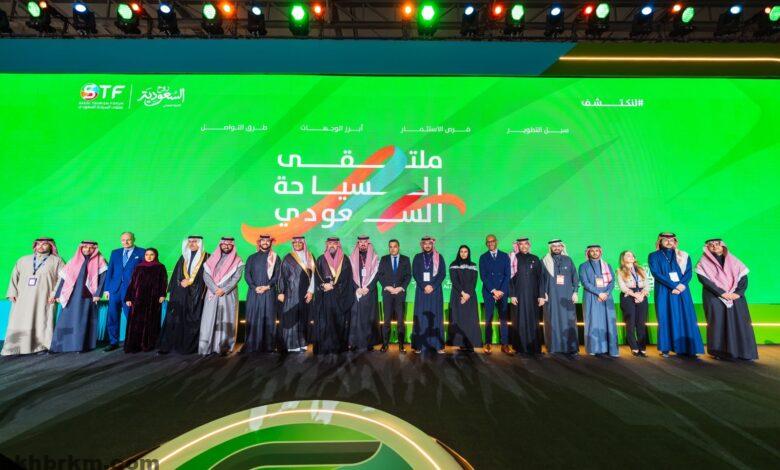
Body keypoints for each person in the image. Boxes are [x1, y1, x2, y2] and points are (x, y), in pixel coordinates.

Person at [695, 238, 758, 361]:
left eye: (717, 244)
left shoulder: (734, 261)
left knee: (741, 323)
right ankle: (720, 352)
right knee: (718, 323)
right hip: (714, 296)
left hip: (736, 297)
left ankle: (745, 352)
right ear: (707, 248)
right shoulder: (703, 263)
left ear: (723, 246)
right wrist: (722, 293)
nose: (714, 246)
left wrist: (738, 293)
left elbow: (743, 278)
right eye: (711, 245)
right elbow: (705, 281)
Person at [2, 238, 64, 355]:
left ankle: (41, 346)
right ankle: (15, 347)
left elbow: (63, 279)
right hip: (23, 297)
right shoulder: (23, 260)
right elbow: (14, 277)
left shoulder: (57, 261)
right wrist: (12, 293)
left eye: (44, 244)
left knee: (42, 320)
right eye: (38, 244)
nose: (40, 246)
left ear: (51, 246)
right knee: (19, 320)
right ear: (34, 246)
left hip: (45, 298)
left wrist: (55, 294)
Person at [648, 232, 703, 358]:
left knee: (686, 316)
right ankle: (665, 348)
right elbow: (656, 273)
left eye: (671, 240)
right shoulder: (654, 255)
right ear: (660, 241)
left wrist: (682, 285)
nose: (669, 242)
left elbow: (688, 272)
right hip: (664, 290)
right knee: (665, 316)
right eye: (665, 240)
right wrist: (673, 285)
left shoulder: (683, 255)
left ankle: (690, 348)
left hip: (682, 290)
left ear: (675, 242)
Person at [50, 241, 107, 353]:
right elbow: (64, 278)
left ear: (95, 249)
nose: (87, 250)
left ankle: (81, 346)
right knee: (65, 319)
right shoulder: (73, 261)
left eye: (91, 248)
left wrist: (97, 294)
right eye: (85, 247)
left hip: (87, 296)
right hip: (71, 295)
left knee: (83, 320)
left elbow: (103, 279)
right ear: (81, 248)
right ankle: (59, 346)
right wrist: (58, 294)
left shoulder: (100, 261)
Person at [158, 236, 209, 355]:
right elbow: (176, 275)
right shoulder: (183, 257)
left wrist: (191, 282)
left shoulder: (207, 257)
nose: (191, 244)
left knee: (193, 319)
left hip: (196, 295)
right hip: (181, 294)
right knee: (176, 319)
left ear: (200, 243)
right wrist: (180, 283)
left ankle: (189, 347)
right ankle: (171, 345)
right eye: (189, 241)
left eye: (194, 242)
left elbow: (207, 277)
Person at [199, 237, 244, 356]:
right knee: (209, 319)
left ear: (232, 246)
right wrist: (215, 289)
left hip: (228, 294)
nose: (226, 246)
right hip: (212, 293)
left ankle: (223, 347)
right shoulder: (210, 259)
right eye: (224, 244)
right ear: (220, 245)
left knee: (226, 319)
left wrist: (223, 290)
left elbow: (236, 278)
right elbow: (206, 276)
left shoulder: (238, 261)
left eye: (229, 245)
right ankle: (207, 347)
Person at [102, 232, 145, 352]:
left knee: (131, 317)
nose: (125, 242)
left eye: (128, 239)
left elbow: (144, 273)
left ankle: (134, 342)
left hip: (131, 291)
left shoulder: (142, 252)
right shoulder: (115, 252)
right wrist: (107, 289)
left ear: (134, 239)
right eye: (123, 240)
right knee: (112, 317)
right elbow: (110, 271)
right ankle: (113, 342)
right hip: (114, 290)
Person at [312, 237, 354, 354]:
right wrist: (323, 285)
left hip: (340, 296)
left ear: (338, 245)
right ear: (327, 245)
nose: (332, 245)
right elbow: (317, 277)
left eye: (334, 243)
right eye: (330, 243)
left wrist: (334, 286)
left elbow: (347, 278)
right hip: (325, 296)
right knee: (326, 322)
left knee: (339, 322)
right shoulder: (321, 259)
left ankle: (338, 347)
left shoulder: (345, 260)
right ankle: (326, 347)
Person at [539, 239, 579, 356]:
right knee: (552, 320)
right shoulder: (544, 261)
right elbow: (541, 279)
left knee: (569, 320)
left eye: (559, 246)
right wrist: (543, 293)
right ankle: (553, 347)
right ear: (550, 248)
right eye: (554, 246)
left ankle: (571, 348)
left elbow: (575, 277)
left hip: (567, 296)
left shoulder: (568, 260)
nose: (556, 248)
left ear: (562, 247)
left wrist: (575, 292)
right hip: (551, 296)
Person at [123, 248, 167, 353]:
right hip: (138, 299)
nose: (149, 257)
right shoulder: (139, 267)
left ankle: (148, 344)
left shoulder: (160, 267)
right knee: (136, 322)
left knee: (151, 321)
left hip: (153, 299)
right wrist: (128, 297)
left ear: (155, 255)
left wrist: (162, 294)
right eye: (147, 254)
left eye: (152, 254)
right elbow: (132, 283)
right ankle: (134, 345)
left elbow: (163, 282)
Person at [243, 234, 281, 353]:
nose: (265, 243)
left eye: (267, 241)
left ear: (271, 243)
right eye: (263, 241)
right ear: (259, 243)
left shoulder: (276, 258)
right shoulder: (251, 257)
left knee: (269, 318)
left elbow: (278, 275)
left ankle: (269, 346)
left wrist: (267, 286)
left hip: (269, 292)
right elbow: (247, 274)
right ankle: (252, 345)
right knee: (253, 317)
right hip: (254, 292)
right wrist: (254, 287)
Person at [579, 245, 619, 357]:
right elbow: (585, 282)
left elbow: (612, 281)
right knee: (593, 322)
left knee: (609, 322)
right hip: (591, 296)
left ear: (600, 252)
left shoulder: (607, 265)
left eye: (597, 251)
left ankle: (611, 349)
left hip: (606, 297)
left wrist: (606, 293)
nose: (595, 253)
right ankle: (593, 348)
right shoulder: (583, 266)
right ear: (588, 253)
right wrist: (599, 293)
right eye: (592, 251)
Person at [277, 236, 315, 353]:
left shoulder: (310, 256)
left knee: (303, 318)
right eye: (295, 243)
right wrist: (281, 292)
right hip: (290, 293)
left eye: (300, 242)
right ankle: (291, 344)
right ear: (292, 244)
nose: (297, 244)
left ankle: (303, 343)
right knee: (291, 318)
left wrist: (311, 291)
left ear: (304, 243)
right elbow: (282, 276)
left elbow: (314, 276)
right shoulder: (288, 257)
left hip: (305, 293)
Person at [508, 238, 544, 355]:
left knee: (533, 321)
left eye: (526, 244)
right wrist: (512, 294)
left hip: (533, 296)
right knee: (519, 321)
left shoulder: (535, 258)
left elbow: (540, 278)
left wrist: (541, 295)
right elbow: (509, 278)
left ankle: (534, 348)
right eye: (521, 244)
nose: (524, 246)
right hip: (518, 296)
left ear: (529, 245)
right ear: (518, 246)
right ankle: (520, 348)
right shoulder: (514, 258)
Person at [411, 236, 446, 354]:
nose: (427, 245)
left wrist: (432, 286)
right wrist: (424, 286)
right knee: (420, 317)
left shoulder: (439, 257)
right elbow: (415, 273)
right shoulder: (417, 257)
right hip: (422, 291)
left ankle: (438, 345)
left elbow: (442, 274)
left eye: (429, 243)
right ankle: (419, 345)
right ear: (422, 245)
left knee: (436, 316)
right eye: (425, 243)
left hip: (435, 291)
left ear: (432, 244)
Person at [479, 234, 512, 355]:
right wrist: (493, 291)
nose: (490, 243)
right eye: (488, 242)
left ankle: (505, 344)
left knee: (503, 318)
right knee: (488, 318)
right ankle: (487, 343)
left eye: (492, 241)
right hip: (489, 292)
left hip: (502, 292)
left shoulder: (504, 256)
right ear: (486, 244)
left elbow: (507, 275)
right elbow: (483, 276)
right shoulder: (483, 257)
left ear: (496, 242)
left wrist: (501, 291)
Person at [376, 239, 411, 353]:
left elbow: (408, 276)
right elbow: (380, 275)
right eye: (390, 247)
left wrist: (401, 288)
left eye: (395, 246)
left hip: (400, 294)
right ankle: (385, 344)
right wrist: (387, 287)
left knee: (401, 321)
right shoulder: (384, 259)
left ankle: (401, 345)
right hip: (388, 293)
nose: (392, 249)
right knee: (386, 321)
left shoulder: (405, 259)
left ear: (398, 247)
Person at [348, 235, 381, 352]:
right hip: (356, 292)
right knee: (355, 318)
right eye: (360, 242)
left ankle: (369, 343)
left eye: (365, 242)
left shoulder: (375, 258)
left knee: (369, 317)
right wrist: (357, 288)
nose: (362, 244)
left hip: (369, 292)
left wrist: (368, 288)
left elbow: (377, 274)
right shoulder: (351, 258)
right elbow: (349, 275)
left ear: (368, 243)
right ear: (358, 243)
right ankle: (354, 343)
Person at [448, 245, 481, 352]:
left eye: (465, 251)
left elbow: (474, 281)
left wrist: (467, 295)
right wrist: (463, 294)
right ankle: (459, 343)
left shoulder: (473, 265)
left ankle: (470, 343)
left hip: (470, 296)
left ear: (468, 253)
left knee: (470, 319)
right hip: (457, 295)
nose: (463, 253)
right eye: (461, 251)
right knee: (459, 319)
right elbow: (454, 281)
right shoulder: (453, 265)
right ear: (459, 253)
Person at [617, 250, 650, 357]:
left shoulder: (641, 269)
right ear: (623, 258)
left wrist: (642, 295)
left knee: (641, 323)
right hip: (628, 296)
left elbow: (647, 285)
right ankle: (634, 347)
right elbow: (623, 287)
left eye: (632, 255)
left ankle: (642, 347)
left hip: (642, 295)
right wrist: (635, 295)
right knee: (630, 323)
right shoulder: (620, 271)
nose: (631, 257)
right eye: (628, 255)